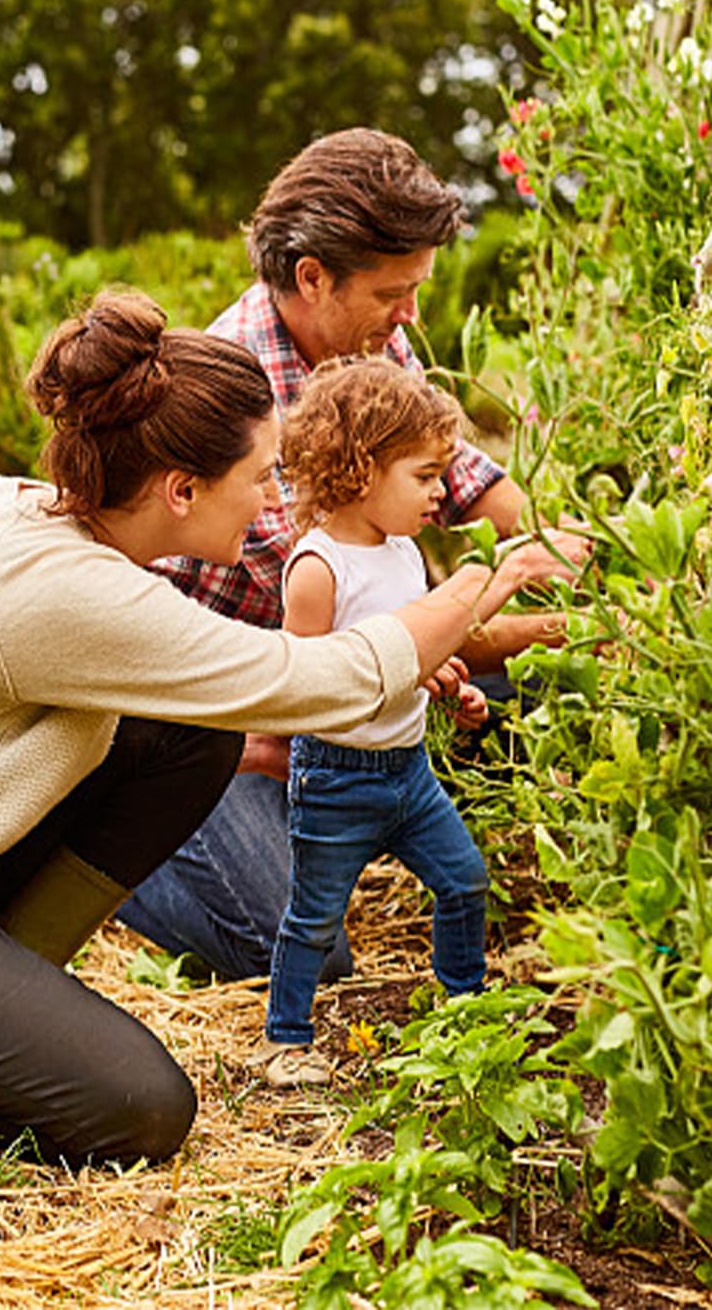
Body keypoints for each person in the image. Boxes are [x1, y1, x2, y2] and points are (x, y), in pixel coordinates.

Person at [0, 289, 585, 1165]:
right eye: (259, 477)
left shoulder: (32, 513)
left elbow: (245, 701)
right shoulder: (66, 591)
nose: (275, 501)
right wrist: (486, 582)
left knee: (189, 737)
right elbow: (323, 680)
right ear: (182, 490)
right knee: (142, 1109)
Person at [120, 128, 562, 985]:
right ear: (313, 277)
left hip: (330, 689)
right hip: (212, 725)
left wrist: (567, 550)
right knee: (306, 952)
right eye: (395, 293)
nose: (413, 319)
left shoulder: (361, 345)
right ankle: (114, 856)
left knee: (519, 696)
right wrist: (538, 624)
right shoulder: (236, 406)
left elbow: (474, 481)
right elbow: (377, 639)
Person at [255, 359, 493, 1085]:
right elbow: (309, 687)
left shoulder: (404, 553)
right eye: (424, 476)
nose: (441, 493)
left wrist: (442, 676)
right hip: (337, 776)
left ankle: (464, 1003)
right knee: (315, 918)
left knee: (465, 881)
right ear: (361, 471)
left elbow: (404, 650)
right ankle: (284, 1040)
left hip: (408, 770)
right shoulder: (319, 569)